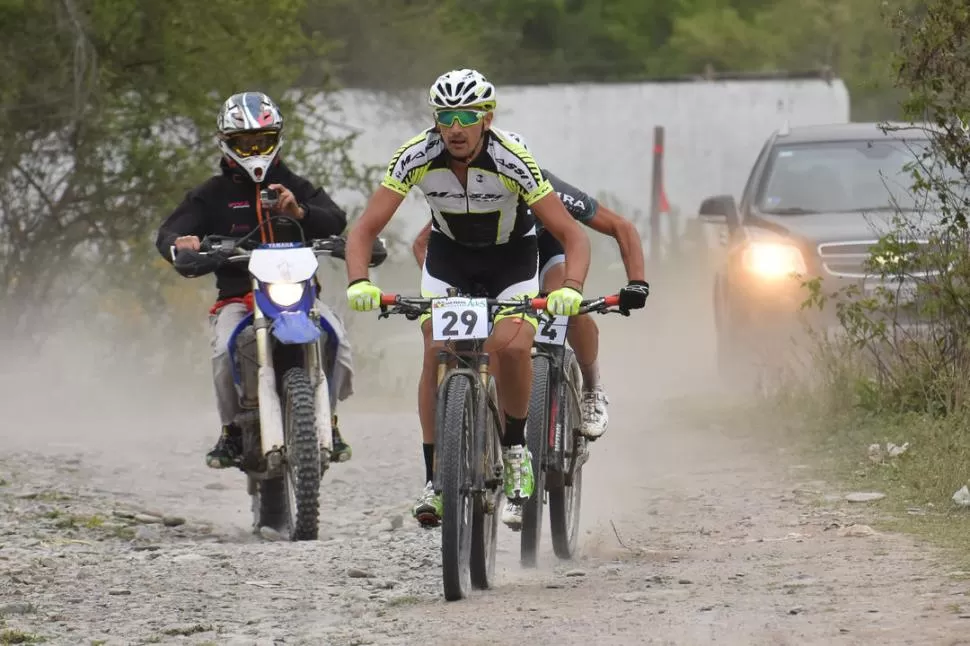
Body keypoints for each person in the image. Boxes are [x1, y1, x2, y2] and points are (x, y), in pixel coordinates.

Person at [342, 68, 592, 530]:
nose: (455, 127)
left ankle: (516, 449)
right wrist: (359, 280)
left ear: (487, 118)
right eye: (445, 116)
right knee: (436, 351)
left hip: (512, 261)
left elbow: (571, 235)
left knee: (514, 349)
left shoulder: (512, 157)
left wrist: (570, 290)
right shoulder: (416, 155)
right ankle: (434, 480)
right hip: (449, 260)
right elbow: (364, 229)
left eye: (466, 116)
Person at [154, 91, 355, 469]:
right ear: (226, 144)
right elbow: (169, 234)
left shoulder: (292, 184)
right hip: (237, 298)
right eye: (244, 144)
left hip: (299, 297)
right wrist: (182, 244)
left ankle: (330, 420)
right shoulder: (210, 195)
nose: (253, 150)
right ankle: (230, 430)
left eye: (261, 141)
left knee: (338, 339)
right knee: (220, 353)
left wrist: (300, 211)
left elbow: (336, 219)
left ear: (276, 139)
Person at [412, 132, 650, 439]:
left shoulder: (545, 187)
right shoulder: (482, 190)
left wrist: (637, 282)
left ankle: (592, 387)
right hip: (496, 265)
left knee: (563, 305)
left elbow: (620, 226)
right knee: (483, 344)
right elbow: (423, 244)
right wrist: (452, 291)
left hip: (545, 251)